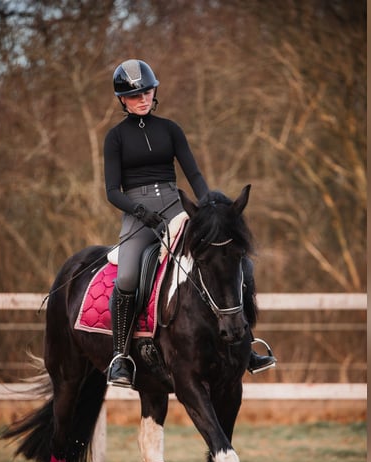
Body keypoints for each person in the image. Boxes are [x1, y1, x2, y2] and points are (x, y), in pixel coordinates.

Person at [103, 58, 276, 389]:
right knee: (126, 275)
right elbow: (112, 191)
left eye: (147, 92)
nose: (143, 99)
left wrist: (209, 204)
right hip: (138, 215)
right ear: (122, 100)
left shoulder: (171, 129)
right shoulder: (115, 138)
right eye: (135, 95)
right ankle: (121, 357)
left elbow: (193, 174)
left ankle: (247, 345)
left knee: (231, 260)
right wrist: (139, 211)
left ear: (155, 93)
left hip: (176, 205)